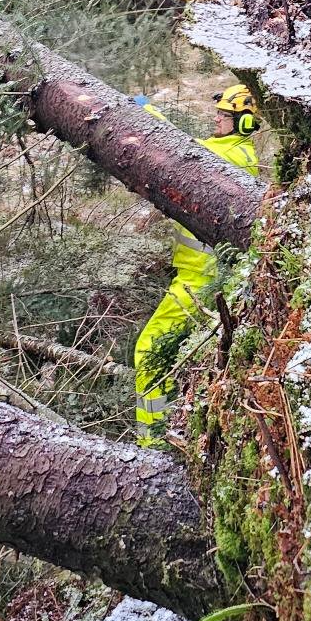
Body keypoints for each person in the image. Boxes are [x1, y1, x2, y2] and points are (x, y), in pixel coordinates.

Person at [132, 84, 262, 441]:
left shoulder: (230, 157)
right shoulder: (234, 152)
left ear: (245, 123)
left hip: (200, 280)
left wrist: (148, 115)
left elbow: (179, 154)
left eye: (224, 116)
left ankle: (152, 440)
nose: (216, 120)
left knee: (149, 351)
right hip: (203, 276)